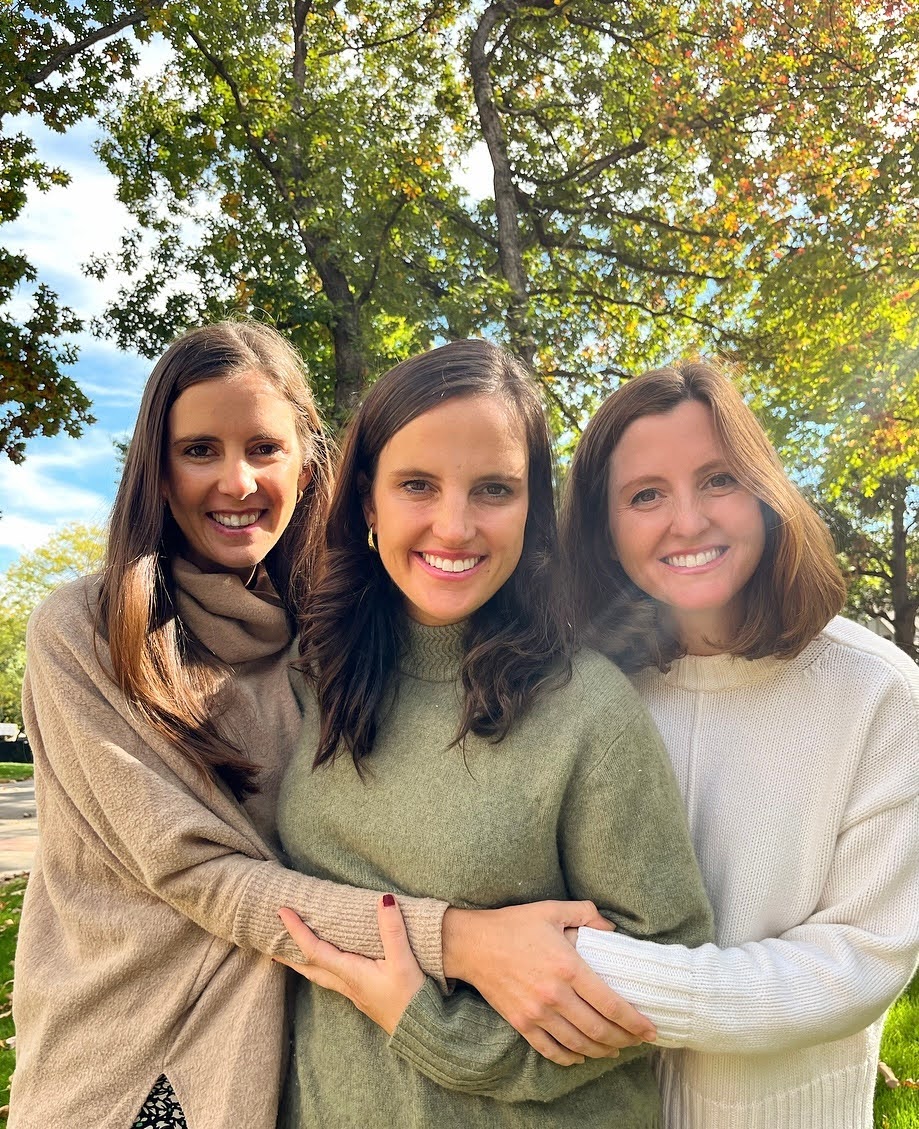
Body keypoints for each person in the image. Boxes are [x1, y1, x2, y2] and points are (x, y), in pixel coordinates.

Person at [10, 321, 453, 1129]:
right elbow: (196, 872)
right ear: (156, 465)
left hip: (313, 1056)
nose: (236, 479)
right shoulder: (85, 630)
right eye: (199, 449)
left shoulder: (337, 638)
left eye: (263, 447)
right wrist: (454, 938)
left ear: (307, 461)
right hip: (139, 1061)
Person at [275, 339, 714, 1127]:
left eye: (494, 489)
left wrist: (433, 1027)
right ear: (366, 502)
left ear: (531, 509)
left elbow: (663, 975)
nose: (455, 524)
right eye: (417, 484)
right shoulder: (310, 680)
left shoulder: (584, 706)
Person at [554, 361, 919, 1128]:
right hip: (584, 1107)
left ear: (763, 490)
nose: (686, 520)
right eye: (644, 494)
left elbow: (858, 963)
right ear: (603, 527)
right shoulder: (571, 690)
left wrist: (567, 966)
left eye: (717, 479)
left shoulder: (875, 690)